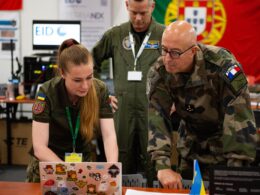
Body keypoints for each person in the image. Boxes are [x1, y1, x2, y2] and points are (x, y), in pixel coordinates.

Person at [147, 20, 257, 189]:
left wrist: (236, 172)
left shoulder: (222, 66)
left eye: (175, 53)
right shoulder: (160, 72)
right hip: (191, 150)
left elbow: (239, 121)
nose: (167, 58)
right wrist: (162, 166)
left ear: (193, 51)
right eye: (164, 50)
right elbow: (157, 117)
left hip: (226, 150)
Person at [92, 0, 164, 184]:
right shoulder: (116, 35)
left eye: (143, 13)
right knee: (122, 161)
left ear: (152, 7)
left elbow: (179, 69)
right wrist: (103, 93)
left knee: (154, 159)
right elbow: (91, 61)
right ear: (126, 6)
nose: (138, 18)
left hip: (153, 110)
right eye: (133, 13)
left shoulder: (163, 35)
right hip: (123, 111)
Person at [26, 38, 118, 182]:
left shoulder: (100, 89)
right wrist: (68, 173)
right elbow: (39, 148)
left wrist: (112, 167)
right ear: (62, 73)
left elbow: (109, 136)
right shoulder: (47, 92)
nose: (85, 86)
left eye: (89, 77)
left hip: (83, 164)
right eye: (77, 80)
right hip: (49, 165)